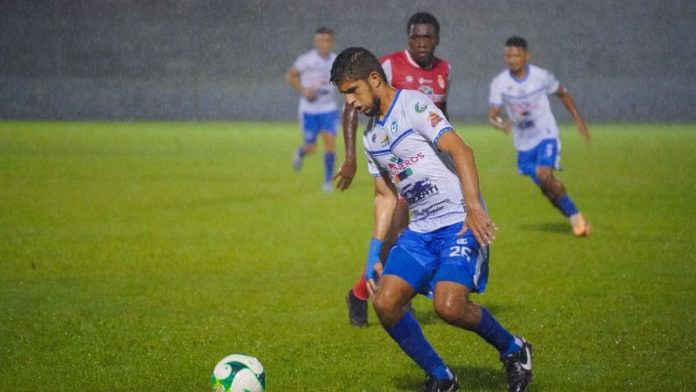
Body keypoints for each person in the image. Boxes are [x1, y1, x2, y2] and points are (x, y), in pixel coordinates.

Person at [330, 47, 532, 392]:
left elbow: (461, 150)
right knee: (386, 303)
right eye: (344, 94)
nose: (350, 102)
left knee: (449, 307)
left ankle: (515, 350)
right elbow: (385, 196)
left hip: (458, 222)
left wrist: (474, 208)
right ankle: (441, 377)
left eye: (353, 91)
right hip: (420, 231)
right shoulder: (370, 136)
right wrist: (373, 253)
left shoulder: (414, 105)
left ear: (374, 79)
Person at [341, 12, 451, 327]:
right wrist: (351, 157)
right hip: (394, 163)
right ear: (408, 39)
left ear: (437, 38)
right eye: (416, 37)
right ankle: (396, 295)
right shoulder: (388, 66)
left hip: (426, 166)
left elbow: (441, 114)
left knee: (399, 237)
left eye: (427, 37)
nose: (421, 43)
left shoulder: (444, 70)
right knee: (403, 234)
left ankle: (362, 292)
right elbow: (351, 105)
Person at [488, 36, 591, 236]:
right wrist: (501, 124)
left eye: (516, 55)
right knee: (547, 188)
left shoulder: (542, 76)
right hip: (523, 143)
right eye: (508, 55)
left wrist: (578, 119)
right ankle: (572, 215)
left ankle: (577, 220)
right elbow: (493, 116)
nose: (512, 59)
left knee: (545, 175)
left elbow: (562, 93)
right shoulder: (499, 83)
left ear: (527, 56)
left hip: (546, 134)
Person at [285, 26, 339, 192]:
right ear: (316, 42)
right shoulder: (306, 60)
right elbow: (290, 75)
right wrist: (304, 89)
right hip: (309, 109)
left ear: (332, 42)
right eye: (321, 40)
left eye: (327, 40)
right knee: (311, 148)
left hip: (328, 108)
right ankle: (301, 152)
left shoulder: (337, 60)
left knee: (329, 142)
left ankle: (327, 181)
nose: (324, 44)